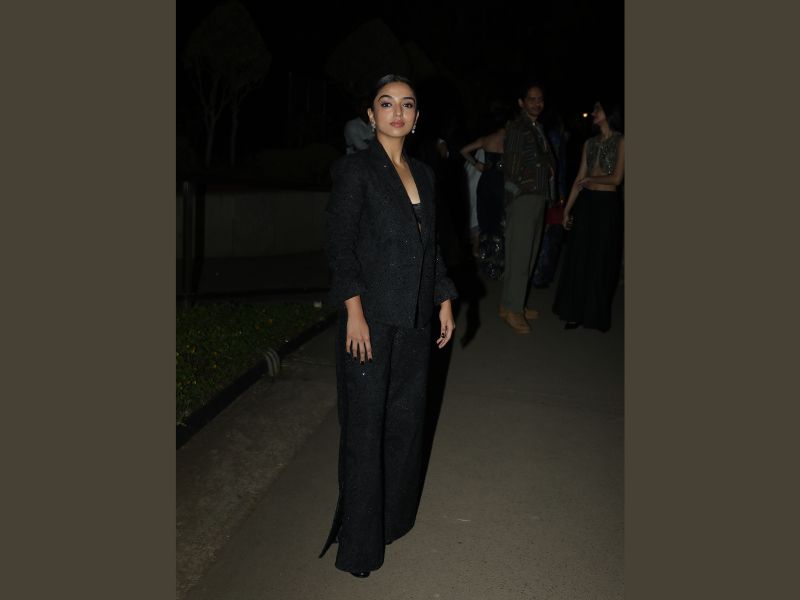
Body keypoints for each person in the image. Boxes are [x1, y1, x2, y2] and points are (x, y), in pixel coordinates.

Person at [319, 74, 458, 578]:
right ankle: (358, 548)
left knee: (404, 424)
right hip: (371, 320)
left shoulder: (424, 173)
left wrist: (443, 297)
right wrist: (353, 313)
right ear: (371, 115)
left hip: (415, 318)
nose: (397, 112)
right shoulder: (355, 171)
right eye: (386, 103)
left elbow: (430, 244)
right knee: (364, 430)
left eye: (407, 104)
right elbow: (341, 246)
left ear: (416, 118)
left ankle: (391, 521)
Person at [553, 97, 625, 332]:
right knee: (580, 257)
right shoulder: (589, 143)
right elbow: (579, 178)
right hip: (586, 203)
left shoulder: (622, 141)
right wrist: (567, 210)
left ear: (609, 113)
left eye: (597, 109)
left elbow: (616, 178)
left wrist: (589, 179)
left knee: (600, 260)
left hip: (607, 205)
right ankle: (575, 312)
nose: (593, 113)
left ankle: (595, 315)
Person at [500, 82, 556, 333]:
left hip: (538, 196)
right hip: (524, 197)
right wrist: (516, 197)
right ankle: (513, 311)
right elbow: (511, 167)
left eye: (540, 99)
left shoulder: (536, 127)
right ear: (521, 102)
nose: (537, 103)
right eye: (531, 99)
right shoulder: (517, 127)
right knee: (521, 256)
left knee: (527, 255)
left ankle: (511, 304)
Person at [459, 112, 508, 279]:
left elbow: (463, 151)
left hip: (486, 184)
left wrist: (476, 164)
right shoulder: (512, 141)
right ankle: (498, 267)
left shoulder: (486, 139)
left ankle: (487, 266)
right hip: (501, 185)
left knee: (486, 225)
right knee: (499, 225)